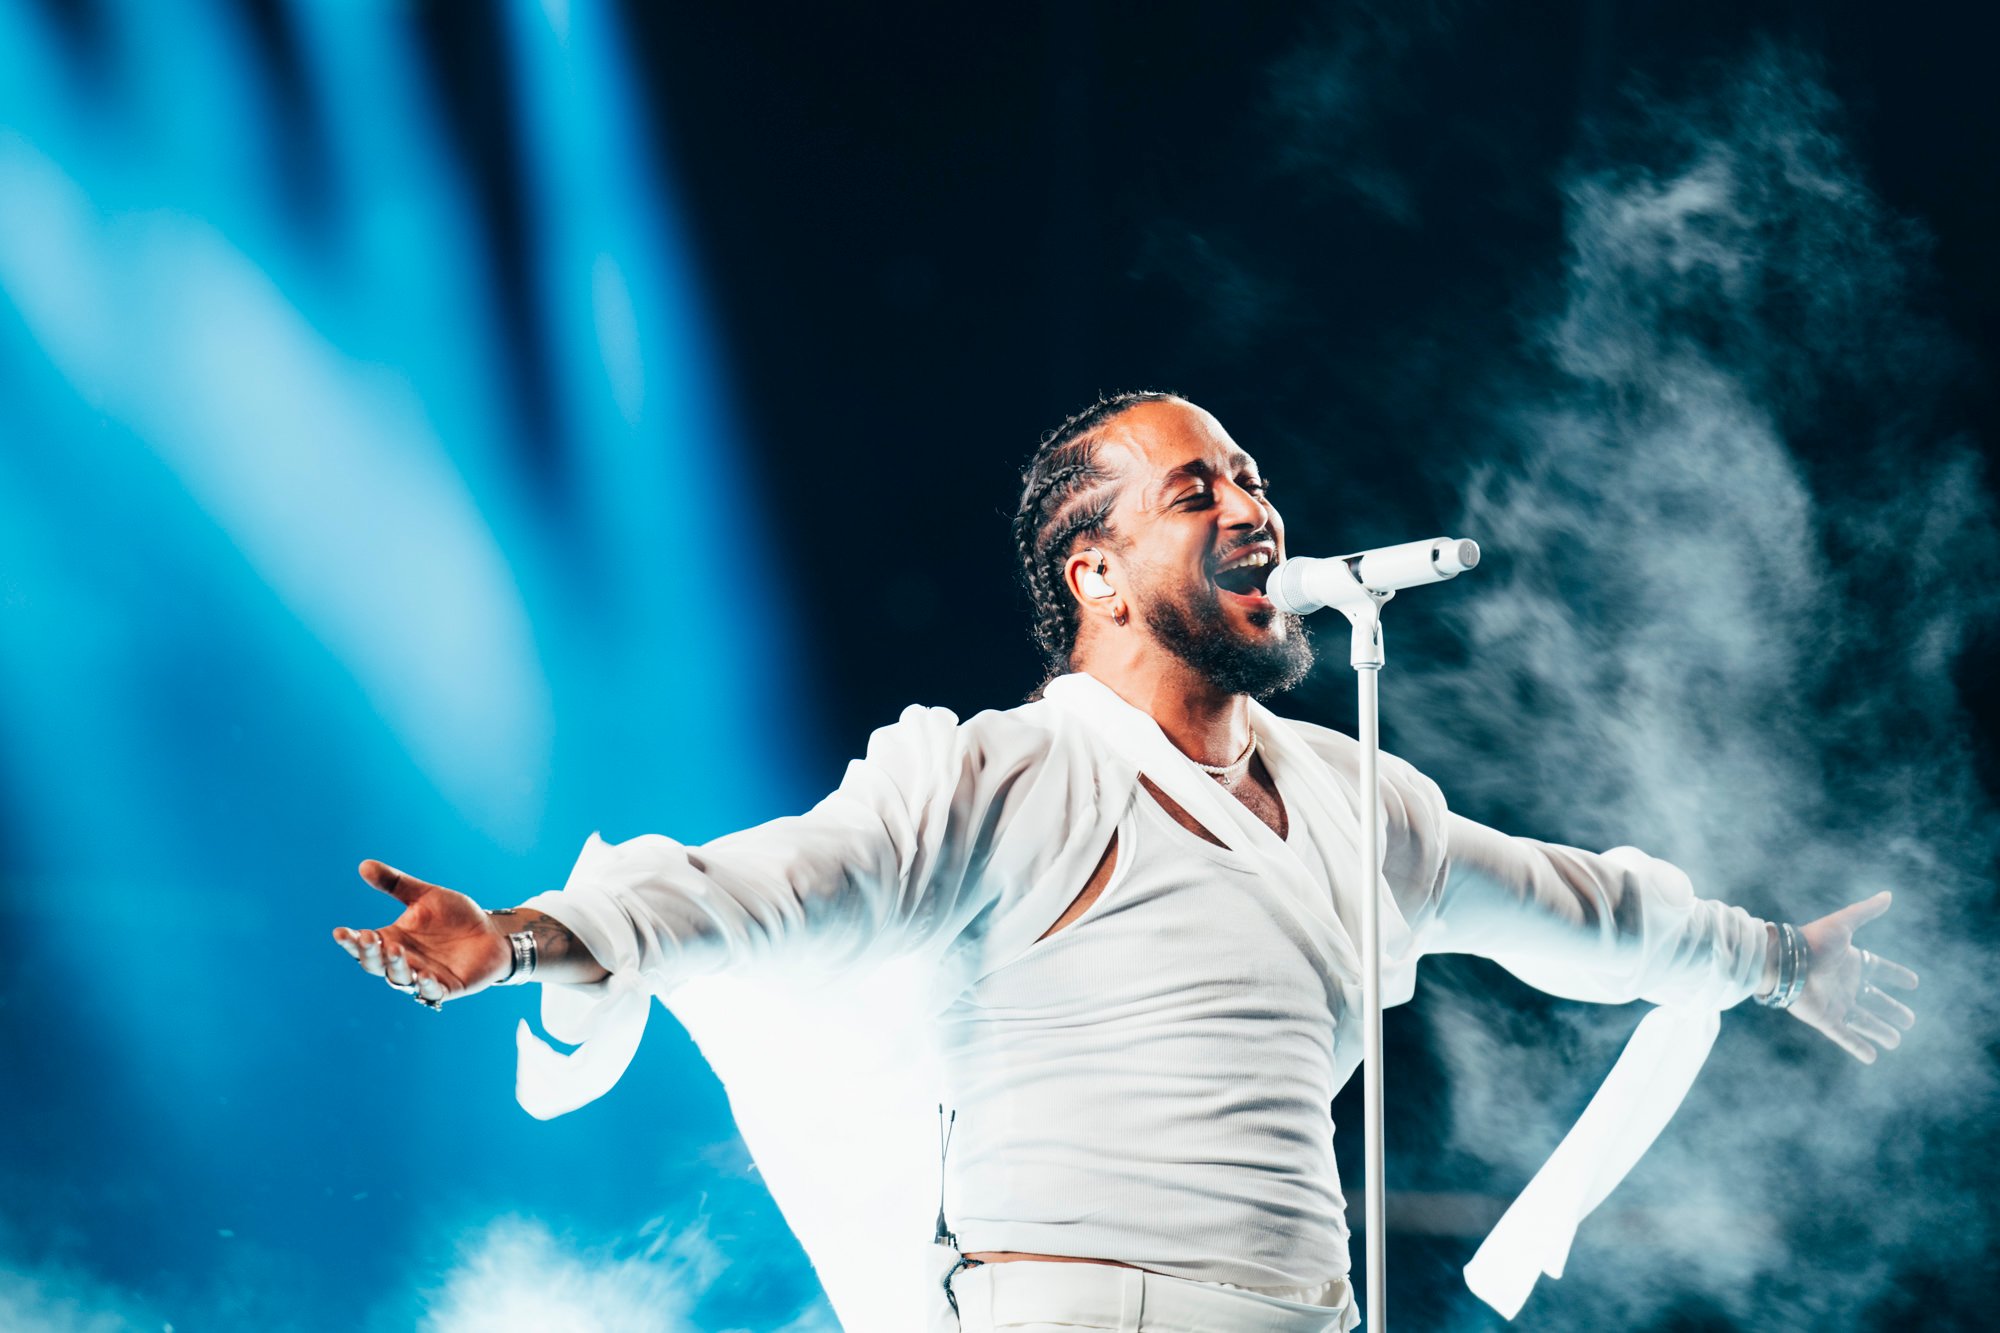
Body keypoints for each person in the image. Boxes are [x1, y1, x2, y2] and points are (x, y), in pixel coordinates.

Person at [331, 393, 1918, 1333]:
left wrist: (1774, 957)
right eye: (1198, 489)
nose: (1255, 506)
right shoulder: (1000, 771)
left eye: (1253, 481)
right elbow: (759, 892)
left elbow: (1590, 913)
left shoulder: (1364, 800)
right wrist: (524, 937)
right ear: (1094, 571)